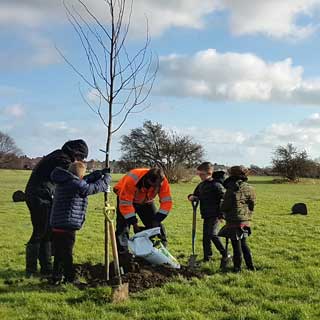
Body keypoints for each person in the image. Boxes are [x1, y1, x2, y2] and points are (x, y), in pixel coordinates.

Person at [24, 139, 88, 277]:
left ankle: (46, 268)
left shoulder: (57, 155)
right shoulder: (62, 159)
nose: (80, 161)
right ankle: (31, 270)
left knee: (46, 231)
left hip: (39, 194)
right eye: (81, 157)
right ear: (75, 153)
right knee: (40, 231)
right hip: (40, 196)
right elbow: (73, 177)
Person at [50, 161, 111, 284]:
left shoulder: (65, 180)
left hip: (58, 223)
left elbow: (85, 180)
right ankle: (70, 278)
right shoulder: (75, 184)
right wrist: (106, 180)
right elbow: (90, 188)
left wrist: (98, 174)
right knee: (67, 253)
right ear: (80, 176)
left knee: (59, 253)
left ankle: (56, 277)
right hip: (67, 225)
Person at [113, 167, 172, 258]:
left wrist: (157, 219)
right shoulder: (132, 180)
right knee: (123, 228)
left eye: (158, 186)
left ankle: (160, 252)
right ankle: (123, 256)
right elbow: (126, 204)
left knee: (157, 227)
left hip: (146, 200)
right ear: (147, 180)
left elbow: (166, 202)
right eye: (154, 186)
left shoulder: (162, 181)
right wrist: (134, 224)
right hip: (125, 198)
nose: (156, 188)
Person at [188, 162, 229, 265]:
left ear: (209, 173)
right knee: (206, 236)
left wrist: (222, 215)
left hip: (215, 215)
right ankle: (207, 257)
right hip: (206, 214)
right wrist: (191, 197)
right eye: (198, 174)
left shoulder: (217, 185)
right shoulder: (201, 185)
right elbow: (195, 194)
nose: (199, 176)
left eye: (201, 174)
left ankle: (225, 254)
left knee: (212, 234)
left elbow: (225, 200)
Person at [219, 165, 256, 272]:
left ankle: (237, 268)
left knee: (236, 245)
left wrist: (221, 208)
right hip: (245, 220)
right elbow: (252, 204)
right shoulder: (250, 188)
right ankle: (250, 266)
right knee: (244, 243)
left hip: (233, 220)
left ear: (231, 175)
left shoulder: (231, 189)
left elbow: (225, 206)